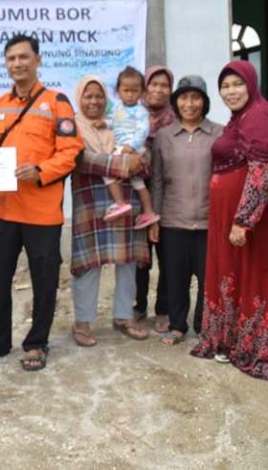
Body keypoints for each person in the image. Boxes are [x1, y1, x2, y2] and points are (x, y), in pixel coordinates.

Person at [0, 35, 84, 371]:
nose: (17, 64)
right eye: (11, 59)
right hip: (3, 210)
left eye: (23, 57)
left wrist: (40, 170)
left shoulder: (57, 102)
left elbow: (70, 152)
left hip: (42, 212)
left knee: (44, 278)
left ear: (38, 60)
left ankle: (37, 343)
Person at [191, 61, 268, 381]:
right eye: (225, 86)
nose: (231, 91)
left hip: (259, 223)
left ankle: (263, 352)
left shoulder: (259, 117)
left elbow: (263, 171)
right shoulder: (243, 118)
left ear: (251, 85)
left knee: (259, 278)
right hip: (241, 218)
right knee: (239, 278)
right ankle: (236, 341)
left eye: (237, 84)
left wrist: (243, 221)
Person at [70, 75, 150, 346]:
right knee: (88, 265)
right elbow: (80, 159)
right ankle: (82, 323)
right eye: (88, 96)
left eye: (99, 96)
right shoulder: (72, 127)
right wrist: (123, 164)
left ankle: (124, 316)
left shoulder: (117, 122)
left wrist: (134, 160)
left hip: (125, 202)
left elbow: (142, 156)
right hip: (90, 205)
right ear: (79, 98)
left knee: (127, 262)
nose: (94, 101)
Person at [150, 75, 223, 345]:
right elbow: (156, 180)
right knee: (175, 277)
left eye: (195, 98)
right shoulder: (164, 137)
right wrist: (155, 218)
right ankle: (177, 325)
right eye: (183, 97)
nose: (189, 103)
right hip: (173, 220)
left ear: (204, 102)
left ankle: (204, 325)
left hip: (209, 222)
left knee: (208, 279)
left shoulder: (220, 133)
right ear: (175, 102)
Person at [134, 65, 175, 329]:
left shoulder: (176, 117)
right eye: (154, 84)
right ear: (145, 86)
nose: (158, 90)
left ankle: (164, 309)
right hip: (136, 192)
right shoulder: (132, 114)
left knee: (167, 254)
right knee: (139, 255)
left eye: (164, 85)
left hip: (170, 191)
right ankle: (138, 307)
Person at [102, 66, 160, 230]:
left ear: (142, 92)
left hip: (133, 148)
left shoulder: (140, 111)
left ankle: (120, 203)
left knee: (108, 172)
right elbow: (113, 123)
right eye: (126, 90)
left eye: (134, 91)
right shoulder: (117, 108)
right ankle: (148, 212)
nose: (130, 94)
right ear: (118, 91)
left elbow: (143, 131)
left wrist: (132, 146)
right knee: (137, 181)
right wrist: (104, 123)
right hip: (122, 146)